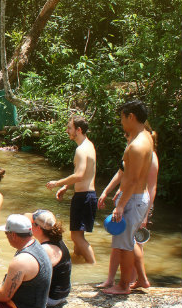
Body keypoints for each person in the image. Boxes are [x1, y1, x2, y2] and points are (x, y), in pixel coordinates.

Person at [97, 128, 158, 289]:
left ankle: (134, 281)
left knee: (129, 242)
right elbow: (123, 173)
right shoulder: (132, 151)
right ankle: (111, 279)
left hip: (138, 203)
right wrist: (108, 191)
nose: (127, 140)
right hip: (126, 198)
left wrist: (146, 215)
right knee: (120, 241)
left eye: (128, 136)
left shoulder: (149, 156)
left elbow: (151, 187)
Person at [46, 115, 97, 264]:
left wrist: (57, 183)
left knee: (76, 237)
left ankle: (93, 266)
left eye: (69, 128)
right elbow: (84, 173)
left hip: (84, 197)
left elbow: (79, 175)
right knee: (78, 235)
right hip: (88, 195)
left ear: (78, 130)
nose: (67, 130)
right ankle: (80, 265)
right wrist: (66, 186)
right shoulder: (89, 145)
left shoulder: (81, 150)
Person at [27, 209, 71, 308]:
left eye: (32, 224)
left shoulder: (45, 249)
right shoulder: (59, 241)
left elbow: (30, 277)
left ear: (38, 228)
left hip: (51, 299)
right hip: (62, 294)